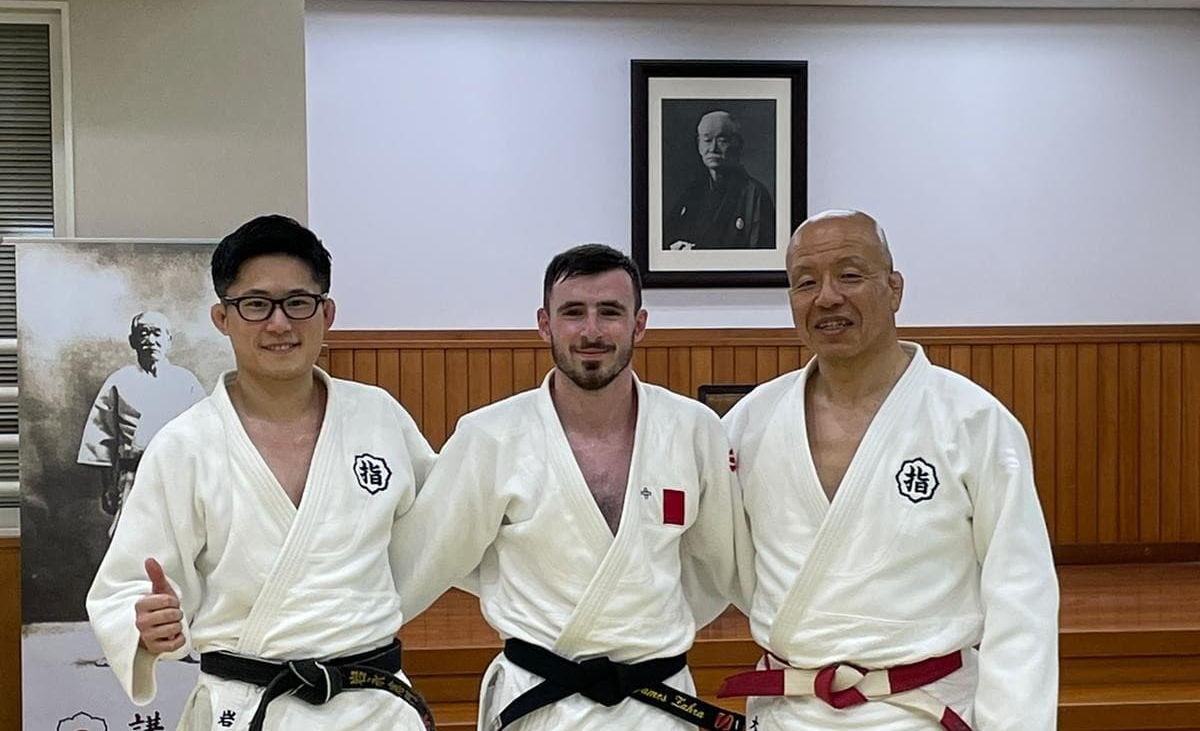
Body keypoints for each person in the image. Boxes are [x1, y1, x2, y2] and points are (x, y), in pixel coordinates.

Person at [87, 215, 437, 731]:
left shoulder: (378, 417)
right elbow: (126, 588)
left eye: (298, 302)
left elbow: (447, 530)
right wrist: (145, 628)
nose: (279, 323)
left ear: (327, 313)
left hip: (374, 708)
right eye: (255, 304)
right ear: (222, 317)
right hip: (247, 707)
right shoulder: (185, 445)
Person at [717, 210, 1058, 730]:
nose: (827, 297)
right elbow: (724, 564)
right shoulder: (750, 423)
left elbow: (1021, 594)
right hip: (788, 712)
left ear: (894, 289)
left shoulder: (973, 421)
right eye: (805, 283)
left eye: (850, 275)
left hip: (920, 710)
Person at [394, 243, 753, 731]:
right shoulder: (490, 435)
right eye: (573, 313)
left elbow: (722, 566)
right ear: (545, 323)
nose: (591, 331)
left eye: (610, 312)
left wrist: (639, 618)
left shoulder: (693, 429)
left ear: (638, 324)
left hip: (659, 704)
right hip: (540, 700)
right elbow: (428, 558)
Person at [77, 310, 207, 537]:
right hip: (132, 477)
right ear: (133, 341)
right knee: (130, 540)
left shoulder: (185, 381)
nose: (150, 340)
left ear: (169, 340)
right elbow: (101, 436)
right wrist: (107, 486)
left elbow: (206, 435)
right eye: (143, 333)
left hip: (180, 478)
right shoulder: (119, 381)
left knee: (181, 539)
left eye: (156, 333)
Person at [664, 110, 775, 250]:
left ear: (738, 144)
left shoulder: (755, 194)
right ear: (699, 145)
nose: (713, 148)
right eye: (707, 140)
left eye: (722, 141)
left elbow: (759, 258)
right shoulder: (691, 193)